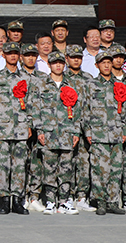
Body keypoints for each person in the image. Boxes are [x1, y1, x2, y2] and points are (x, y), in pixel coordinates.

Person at [0, 41, 35, 215]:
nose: (12, 56)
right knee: (3, 165)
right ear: (4, 55)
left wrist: (30, 124)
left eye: (15, 53)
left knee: (20, 165)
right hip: (2, 127)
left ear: (19, 56)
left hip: (21, 127)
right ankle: (4, 200)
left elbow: (32, 104)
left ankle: (17, 200)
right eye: (9, 53)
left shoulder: (27, 79)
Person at [39, 50, 81, 215]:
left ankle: (64, 201)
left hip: (67, 132)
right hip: (49, 133)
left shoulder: (71, 84)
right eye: (54, 63)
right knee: (49, 168)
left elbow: (78, 111)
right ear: (49, 64)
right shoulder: (42, 85)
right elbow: (35, 108)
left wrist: (76, 131)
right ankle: (50, 201)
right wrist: (39, 129)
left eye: (60, 63)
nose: (58, 65)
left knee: (66, 168)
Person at [84, 51, 126, 216]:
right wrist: (88, 131)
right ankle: (100, 201)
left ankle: (113, 201)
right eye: (103, 63)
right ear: (97, 65)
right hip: (98, 133)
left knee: (116, 169)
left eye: (109, 62)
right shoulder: (91, 85)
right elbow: (85, 109)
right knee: (99, 169)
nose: (107, 65)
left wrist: (124, 129)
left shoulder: (119, 85)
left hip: (116, 132)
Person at [63, 45, 96, 212]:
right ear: (66, 59)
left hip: (86, 126)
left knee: (84, 163)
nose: (76, 60)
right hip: (67, 125)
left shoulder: (88, 78)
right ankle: (67, 195)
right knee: (68, 162)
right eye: (72, 57)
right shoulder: (62, 78)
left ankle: (81, 196)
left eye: (78, 57)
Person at [20, 43, 51, 212]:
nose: (30, 58)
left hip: (40, 125)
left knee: (37, 162)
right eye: (27, 55)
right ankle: (22, 195)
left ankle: (34, 195)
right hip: (21, 126)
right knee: (21, 162)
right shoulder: (17, 76)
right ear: (21, 57)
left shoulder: (43, 78)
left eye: (33, 55)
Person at [108, 45, 126, 212]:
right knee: (111, 167)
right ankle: (110, 199)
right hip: (110, 130)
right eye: (114, 57)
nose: (118, 60)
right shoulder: (105, 81)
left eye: (120, 57)